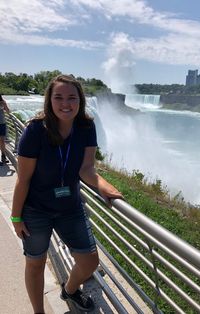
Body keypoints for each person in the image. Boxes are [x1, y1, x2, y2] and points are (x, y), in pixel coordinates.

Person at [11, 74, 123, 314]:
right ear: (49, 100)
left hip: (69, 207)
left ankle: (70, 290)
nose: (66, 103)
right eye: (59, 97)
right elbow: (24, 179)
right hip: (36, 209)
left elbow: (87, 168)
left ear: (80, 101)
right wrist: (16, 217)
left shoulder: (86, 126)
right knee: (35, 263)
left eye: (72, 97)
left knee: (89, 261)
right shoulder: (35, 131)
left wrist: (105, 187)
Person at [0, 94, 10, 166]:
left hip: (2, 123)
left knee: (2, 141)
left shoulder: (2, 102)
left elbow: (8, 111)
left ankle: (3, 156)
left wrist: (5, 105)